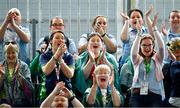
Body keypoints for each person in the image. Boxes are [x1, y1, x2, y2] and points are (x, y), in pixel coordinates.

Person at [129, 13, 165, 107]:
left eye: (149, 45)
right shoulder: (137, 59)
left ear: (153, 46)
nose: (147, 47)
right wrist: (139, 35)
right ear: (140, 47)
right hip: (137, 94)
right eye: (144, 45)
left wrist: (155, 29)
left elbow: (161, 47)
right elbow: (133, 53)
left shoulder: (158, 58)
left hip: (155, 95)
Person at [72, 32, 120, 101]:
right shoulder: (81, 58)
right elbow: (81, 78)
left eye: (98, 41)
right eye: (93, 41)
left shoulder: (110, 58)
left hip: (107, 91)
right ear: (88, 44)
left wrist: (105, 61)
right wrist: (91, 61)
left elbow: (113, 75)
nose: (95, 42)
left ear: (102, 45)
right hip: (86, 92)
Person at [39, 30, 74, 103]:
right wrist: (56, 55)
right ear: (51, 41)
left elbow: (70, 74)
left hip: (65, 92)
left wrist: (61, 60)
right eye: (57, 38)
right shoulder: (44, 56)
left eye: (62, 38)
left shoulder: (69, 56)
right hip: (48, 93)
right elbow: (46, 71)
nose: (60, 40)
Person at [0, 40, 33, 107]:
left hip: (21, 104)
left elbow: (30, 91)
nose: (11, 55)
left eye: (13, 52)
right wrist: (2, 77)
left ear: (17, 53)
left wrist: (19, 76)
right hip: (3, 104)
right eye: (8, 53)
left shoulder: (24, 67)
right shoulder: (0, 67)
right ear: (4, 54)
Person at [29, 36, 49, 106]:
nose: (44, 50)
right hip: (42, 91)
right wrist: (39, 54)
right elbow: (31, 70)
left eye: (46, 48)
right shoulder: (40, 56)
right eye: (43, 49)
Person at [163, 37, 180, 107]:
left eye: (178, 47)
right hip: (172, 100)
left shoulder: (174, 64)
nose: (177, 50)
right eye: (174, 48)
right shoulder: (168, 66)